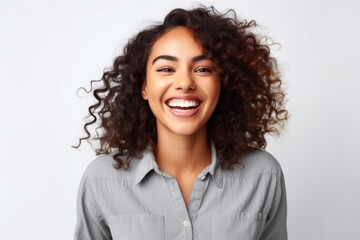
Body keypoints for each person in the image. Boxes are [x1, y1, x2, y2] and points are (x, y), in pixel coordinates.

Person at [74, 6, 288, 240]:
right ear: (144, 86)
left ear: (222, 83)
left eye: (203, 69)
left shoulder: (263, 175)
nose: (185, 82)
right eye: (166, 69)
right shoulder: (102, 180)